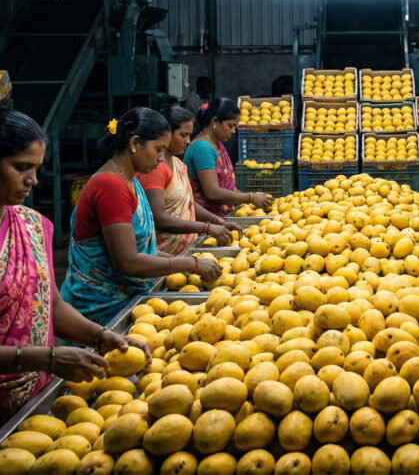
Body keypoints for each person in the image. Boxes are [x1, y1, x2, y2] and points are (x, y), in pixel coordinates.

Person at [0, 109, 147, 475]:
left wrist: (100, 336)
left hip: (28, 407)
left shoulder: (32, 224)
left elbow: (50, 305)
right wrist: (47, 358)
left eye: (37, 167)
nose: (33, 180)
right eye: (21, 168)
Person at [61, 108, 222, 324]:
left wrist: (184, 261)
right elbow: (127, 262)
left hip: (126, 299)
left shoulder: (130, 180)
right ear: (135, 143)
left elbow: (140, 249)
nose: (161, 159)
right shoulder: (110, 186)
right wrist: (190, 264)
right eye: (158, 150)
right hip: (102, 310)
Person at [138, 105, 240, 256]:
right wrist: (207, 228)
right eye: (183, 135)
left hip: (184, 253)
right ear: (166, 133)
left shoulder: (178, 164)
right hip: (165, 256)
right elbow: (158, 218)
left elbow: (189, 203)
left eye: (189, 135)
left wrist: (218, 221)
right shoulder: (155, 169)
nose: (188, 141)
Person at [185, 98, 273, 219]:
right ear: (215, 121)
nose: (233, 131)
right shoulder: (202, 148)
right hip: (208, 222)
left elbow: (227, 188)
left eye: (235, 127)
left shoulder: (216, 144)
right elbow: (213, 192)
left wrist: (252, 198)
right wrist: (250, 197)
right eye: (230, 126)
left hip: (222, 219)